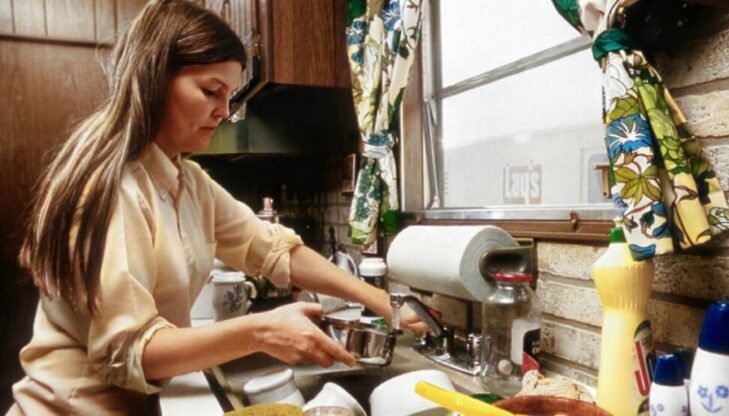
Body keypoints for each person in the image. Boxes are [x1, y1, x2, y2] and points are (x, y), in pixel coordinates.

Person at [7, 1, 426, 414]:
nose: (225, 112)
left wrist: (381, 302)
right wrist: (261, 330)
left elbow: (273, 248)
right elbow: (130, 352)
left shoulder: (186, 181)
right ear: (155, 78)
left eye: (230, 96)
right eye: (211, 91)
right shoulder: (113, 189)